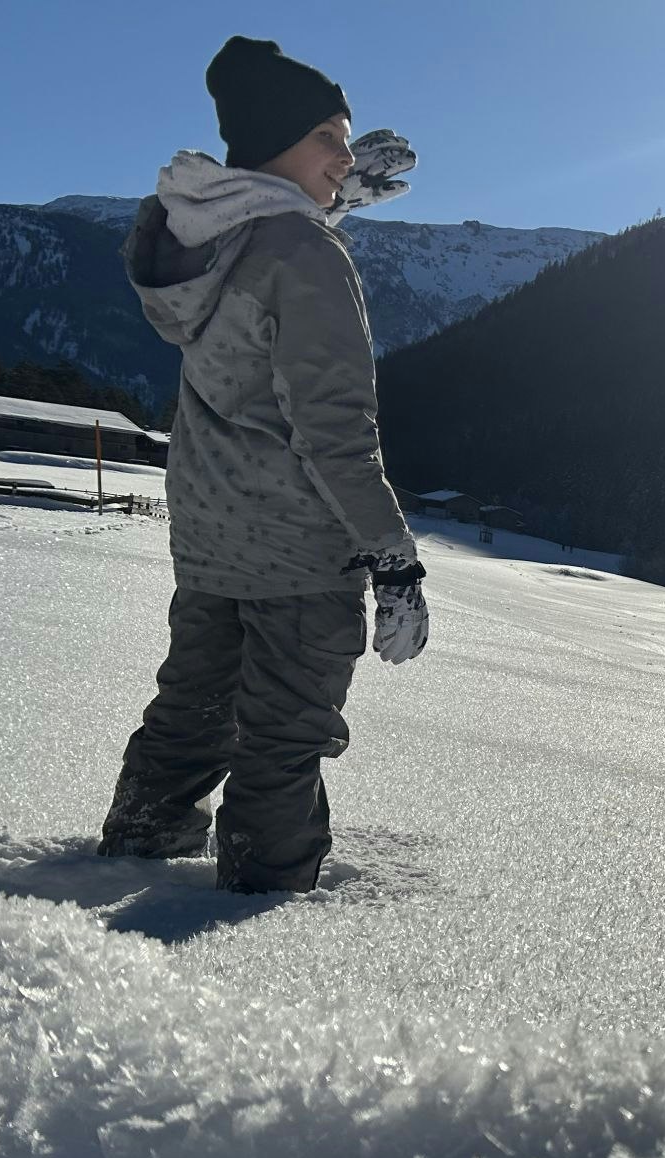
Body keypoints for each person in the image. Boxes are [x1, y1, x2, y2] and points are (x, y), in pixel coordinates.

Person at [98, 35, 428, 894]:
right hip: (297, 552)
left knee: (192, 711)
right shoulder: (307, 255)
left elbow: (261, 263)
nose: (345, 159)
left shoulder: (210, 239)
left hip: (212, 539)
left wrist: (320, 194)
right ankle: (258, 906)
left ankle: (131, 854)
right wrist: (395, 563)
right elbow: (334, 432)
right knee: (284, 737)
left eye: (346, 141)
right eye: (326, 138)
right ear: (275, 141)